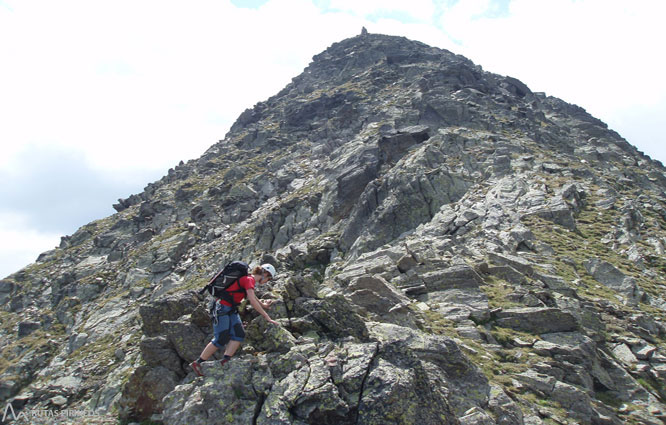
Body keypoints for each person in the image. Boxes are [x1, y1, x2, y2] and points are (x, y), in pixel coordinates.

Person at [190, 263, 278, 376]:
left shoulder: (248, 279)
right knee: (221, 337)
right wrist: (267, 317)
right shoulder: (249, 280)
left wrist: (263, 304)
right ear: (265, 274)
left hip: (230, 308)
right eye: (269, 278)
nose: (267, 281)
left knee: (239, 334)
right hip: (222, 308)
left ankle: (225, 361)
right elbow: (252, 300)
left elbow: (252, 296)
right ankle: (198, 363)